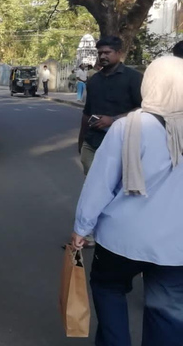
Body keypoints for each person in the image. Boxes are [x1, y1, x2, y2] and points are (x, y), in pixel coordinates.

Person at [71, 56, 183, 346]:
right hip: (176, 246)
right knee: (168, 310)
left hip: (122, 241)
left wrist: (82, 228)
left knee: (108, 289)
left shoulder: (129, 127)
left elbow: (100, 183)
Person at [78, 36, 142, 177]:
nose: (102, 56)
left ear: (119, 53)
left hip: (121, 143)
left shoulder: (134, 78)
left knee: (114, 186)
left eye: (107, 52)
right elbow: (87, 113)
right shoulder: (94, 80)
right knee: (93, 182)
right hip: (93, 142)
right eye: (100, 53)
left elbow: (142, 108)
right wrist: (81, 141)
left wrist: (113, 119)